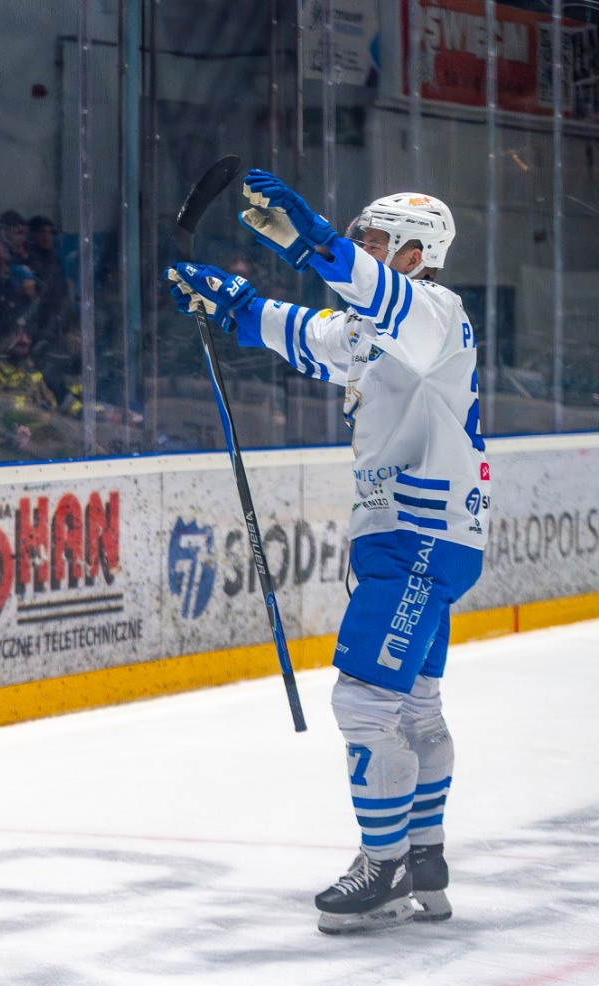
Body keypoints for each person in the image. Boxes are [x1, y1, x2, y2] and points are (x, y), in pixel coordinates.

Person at [167, 172, 484, 935]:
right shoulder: (382, 326)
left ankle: (385, 864)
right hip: (420, 540)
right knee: (414, 706)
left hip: (417, 540)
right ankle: (425, 858)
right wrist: (234, 302)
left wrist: (314, 240)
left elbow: (366, 291)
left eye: (376, 241)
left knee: (362, 703)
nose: (365, 251)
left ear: (417, 252)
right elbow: (313, 338)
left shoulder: (433, 311)